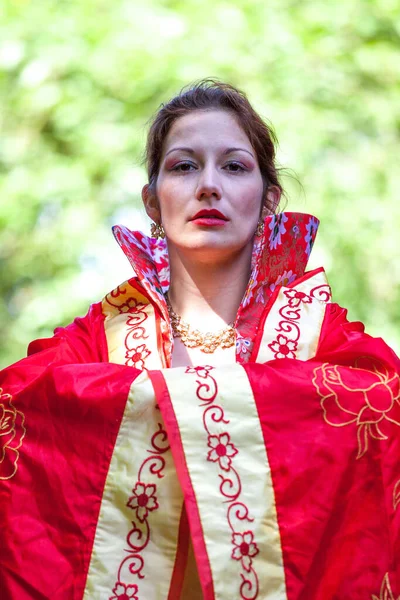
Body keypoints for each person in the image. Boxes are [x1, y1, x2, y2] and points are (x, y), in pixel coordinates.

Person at [0, 79, 399, 600]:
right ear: (151, 199)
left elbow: (385, 410)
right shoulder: (103, 337)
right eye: (184, 166)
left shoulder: (322, 337)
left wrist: (158, 400)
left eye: (234, 166)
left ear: (268, 198)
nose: (208, 185)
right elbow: (19, 408)